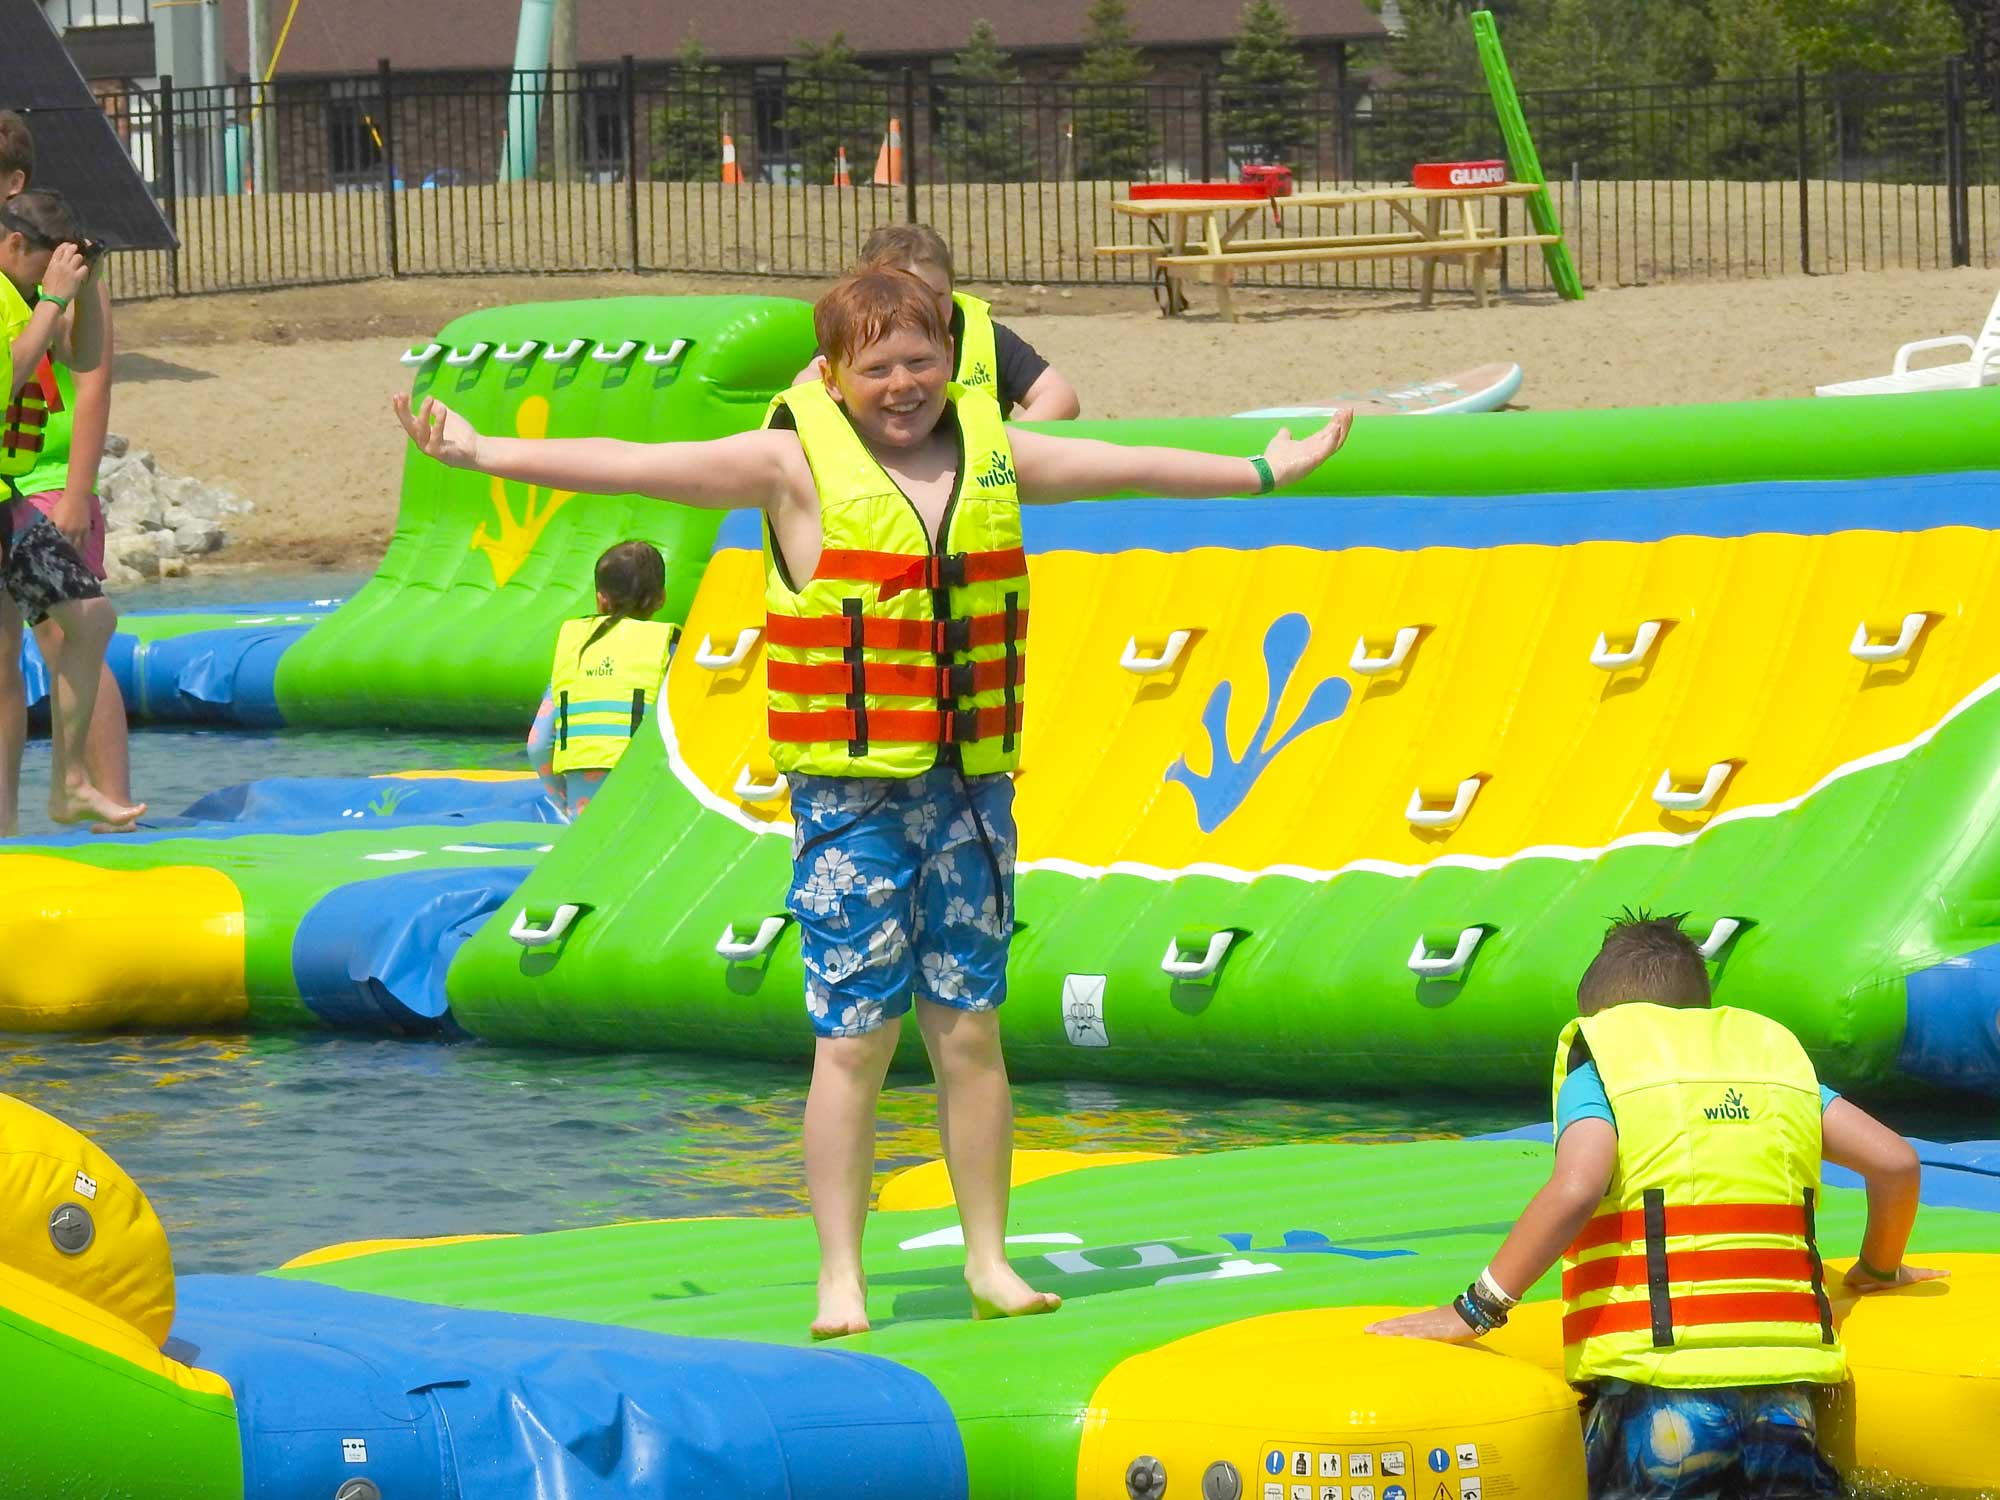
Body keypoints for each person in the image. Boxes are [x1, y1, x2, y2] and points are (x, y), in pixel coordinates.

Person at [394, 265, 1353, 1338]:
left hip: (969, 789)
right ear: (834, 374)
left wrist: (1265, 470)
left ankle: (989, 1259)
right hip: (850, 802)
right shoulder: (788, 462)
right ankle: (838, 1275)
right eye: (878, 367)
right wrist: (480, 453)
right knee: (853, 1039)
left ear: (951, 360)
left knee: (971, 1031)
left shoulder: (994, 449)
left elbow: (1122, 462)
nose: (903, 385)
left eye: (921, 362)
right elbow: (637, 463)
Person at [1368, 913, 1943, 1500]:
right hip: (1784, 1391)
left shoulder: (1603, 1074)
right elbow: (1895, 1164)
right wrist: (1877, 1269)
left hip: (1657, 1390)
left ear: (1601, 1018)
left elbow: (1576, 1187)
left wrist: (1475, 1310)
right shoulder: (1779, 1075)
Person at [0, 114, 134, 832]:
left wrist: (79, 489)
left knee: (81, 627)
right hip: (15, 493)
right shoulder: (14, 286)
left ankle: (98, 801)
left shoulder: (53, 276)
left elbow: (88, 373)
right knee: (54, 637)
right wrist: (50, 302)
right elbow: (9, 377)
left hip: (32, 489)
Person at [797, 224, 1080, 421]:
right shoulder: (858, 335)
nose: (927, 309)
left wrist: (1002, 444)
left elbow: (1060, 396)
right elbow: (803, 391)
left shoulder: (984, 337)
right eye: (909, 297)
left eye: (937, 295)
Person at [526, 539, 675, 820]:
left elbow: (537, 743)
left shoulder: (575, 648)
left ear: (600, 598)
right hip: (644, 789)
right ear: (661, 598)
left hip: (582, 798)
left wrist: (563, 800)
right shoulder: (665, 648)